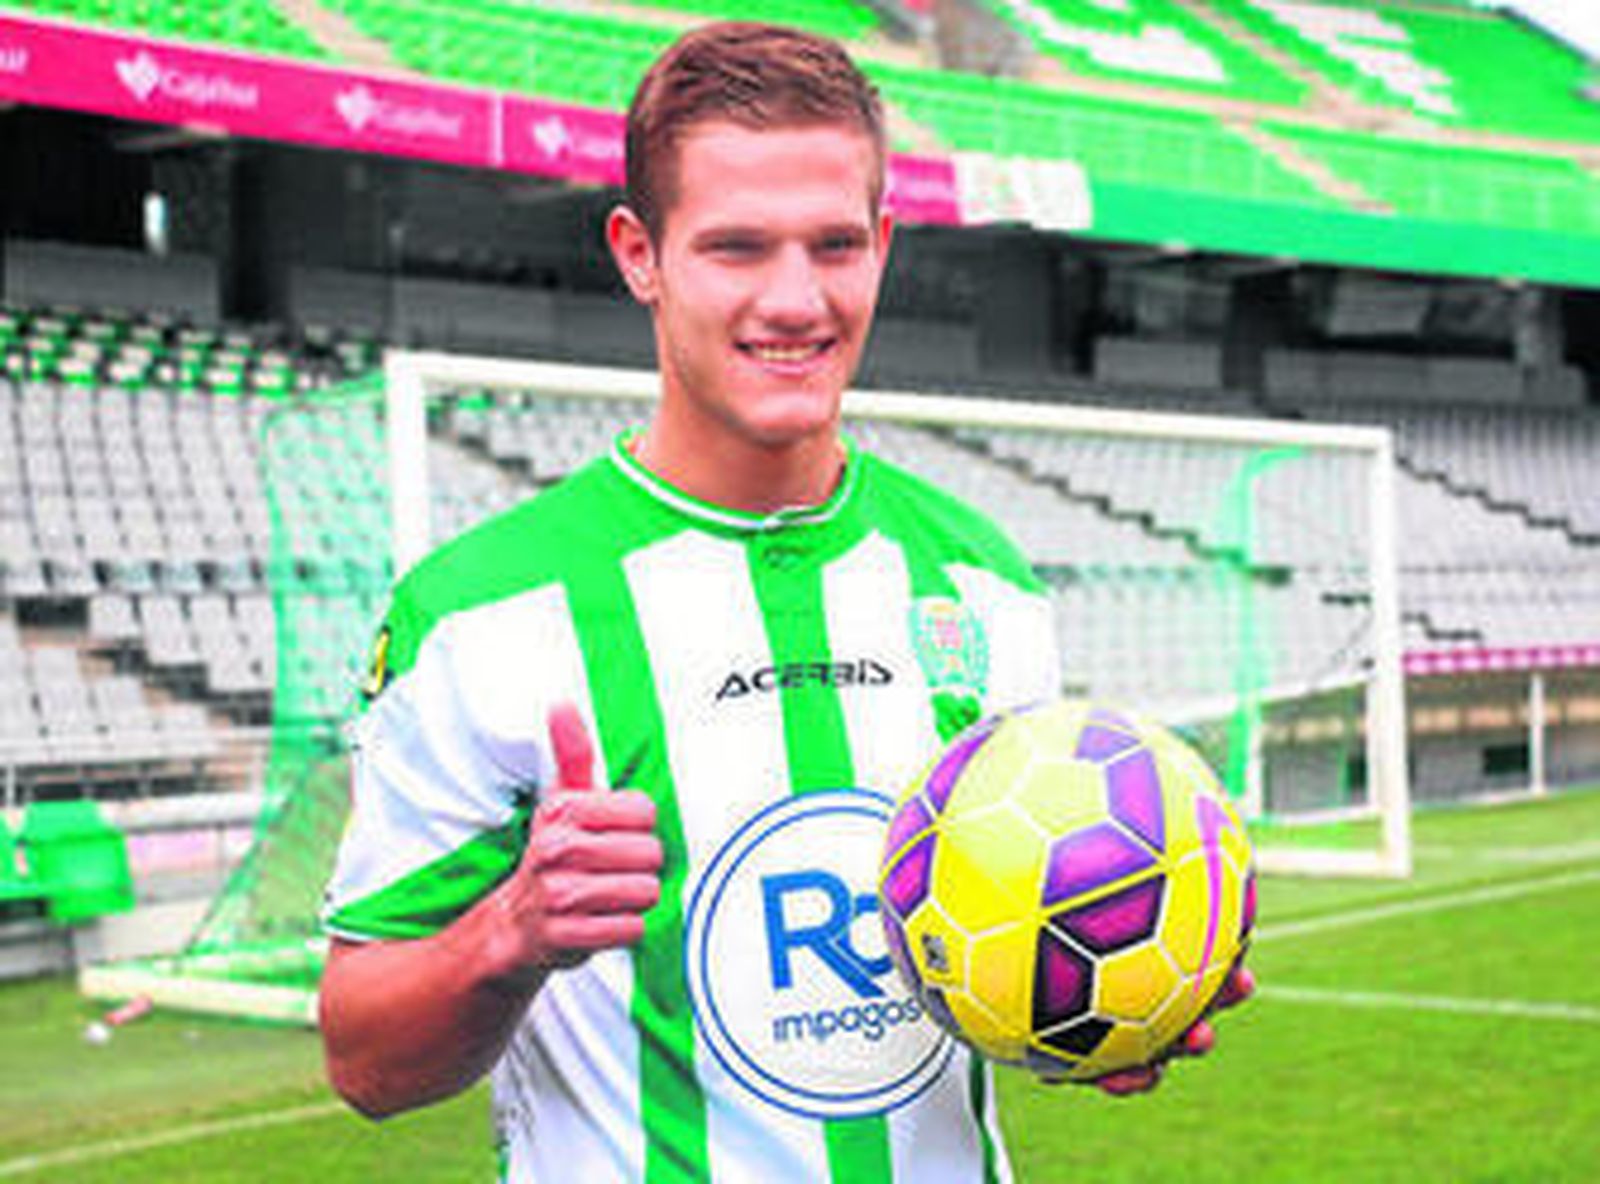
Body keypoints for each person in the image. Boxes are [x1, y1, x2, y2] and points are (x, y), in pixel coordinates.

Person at [318, 20, 1251, 1182]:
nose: (796, 298)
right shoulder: (478, 613)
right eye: (737, 247)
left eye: (834, 245)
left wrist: (1096, 990)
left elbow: (958, 973)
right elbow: (364, 1058)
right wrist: (512, 932)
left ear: (884, 246)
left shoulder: (982, 582)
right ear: (638, 253)